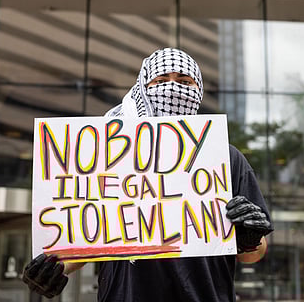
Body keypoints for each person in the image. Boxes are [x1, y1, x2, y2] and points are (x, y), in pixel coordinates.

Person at [22, 48, 273, 301]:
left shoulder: (225, 157)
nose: (173, 89)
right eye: (161, 81)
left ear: (198, 91)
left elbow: (254, 252)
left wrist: (250, 236)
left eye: (185, 82)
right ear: (143, 87)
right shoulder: (112, 153)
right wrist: (54, 268)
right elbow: (91, 234)